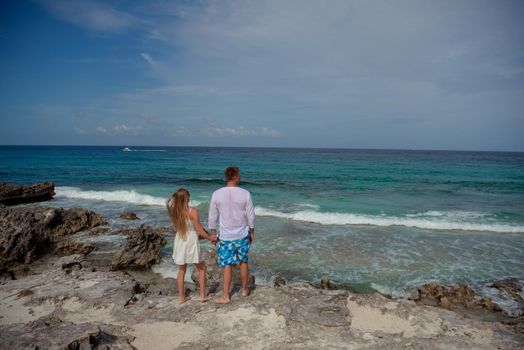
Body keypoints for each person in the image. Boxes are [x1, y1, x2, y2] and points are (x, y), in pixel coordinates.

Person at [208, 166, 255, 304]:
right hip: (242, 234)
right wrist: (252, 232)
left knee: (227, 265)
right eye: (239, 175)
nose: (240, 177)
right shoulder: (245, 193)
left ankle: (226, 296)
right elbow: (251, 216)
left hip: (225, 236)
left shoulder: (217, 194)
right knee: (243, 262)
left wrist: (213, 233)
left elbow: (212, 216)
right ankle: (245, 290)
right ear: (235, 176)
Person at [167, 188, 215, 304]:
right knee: (201, 268)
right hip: (191, 241)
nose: (190, 198)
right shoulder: (192, 211)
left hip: (180, 240)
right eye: (188, 196)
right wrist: (210, 238)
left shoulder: (174, 211)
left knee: (181, 270)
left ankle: (182, 297)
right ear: (185, 198)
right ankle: (202, 295)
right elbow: (199, 230)